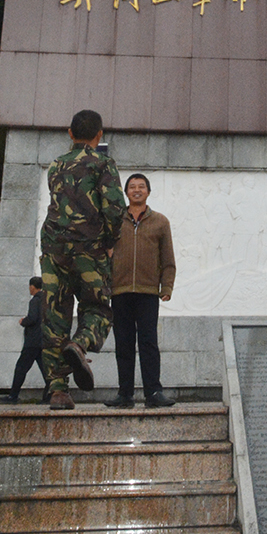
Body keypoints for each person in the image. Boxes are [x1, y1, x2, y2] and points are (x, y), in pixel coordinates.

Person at [40, 109, 126, 410]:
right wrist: (109, 242)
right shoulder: (102, 163)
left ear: (70, 132)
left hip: (53, 250)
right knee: (98, 309)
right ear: (99, 135)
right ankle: (81, 343)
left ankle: (59, 392)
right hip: (89, 249)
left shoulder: (55, 166)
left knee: (54, 317)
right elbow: (116, 209)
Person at [106, 172, 177, 409]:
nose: (137, 190)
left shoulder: (160, 222)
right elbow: (101, 251)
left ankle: (153, 392)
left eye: (141, 186)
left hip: (148, 292)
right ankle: (125, 394)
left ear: (148, 191)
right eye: (132, 187)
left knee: (148, 343)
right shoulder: (115, 220)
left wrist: (166, 286)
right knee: (123, 344)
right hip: (120, 290)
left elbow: (168, 258)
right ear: (126, 192)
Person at [0, 277, 48, 403]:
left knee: (20, 368)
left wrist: (23, 321)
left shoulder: (35, 301)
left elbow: (32, 318)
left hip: (32, 342)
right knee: (47, 371)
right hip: (43, 341)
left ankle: (13, 396)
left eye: (30, 286)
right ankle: (49, 396)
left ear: (32, 286)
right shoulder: (46, 300)